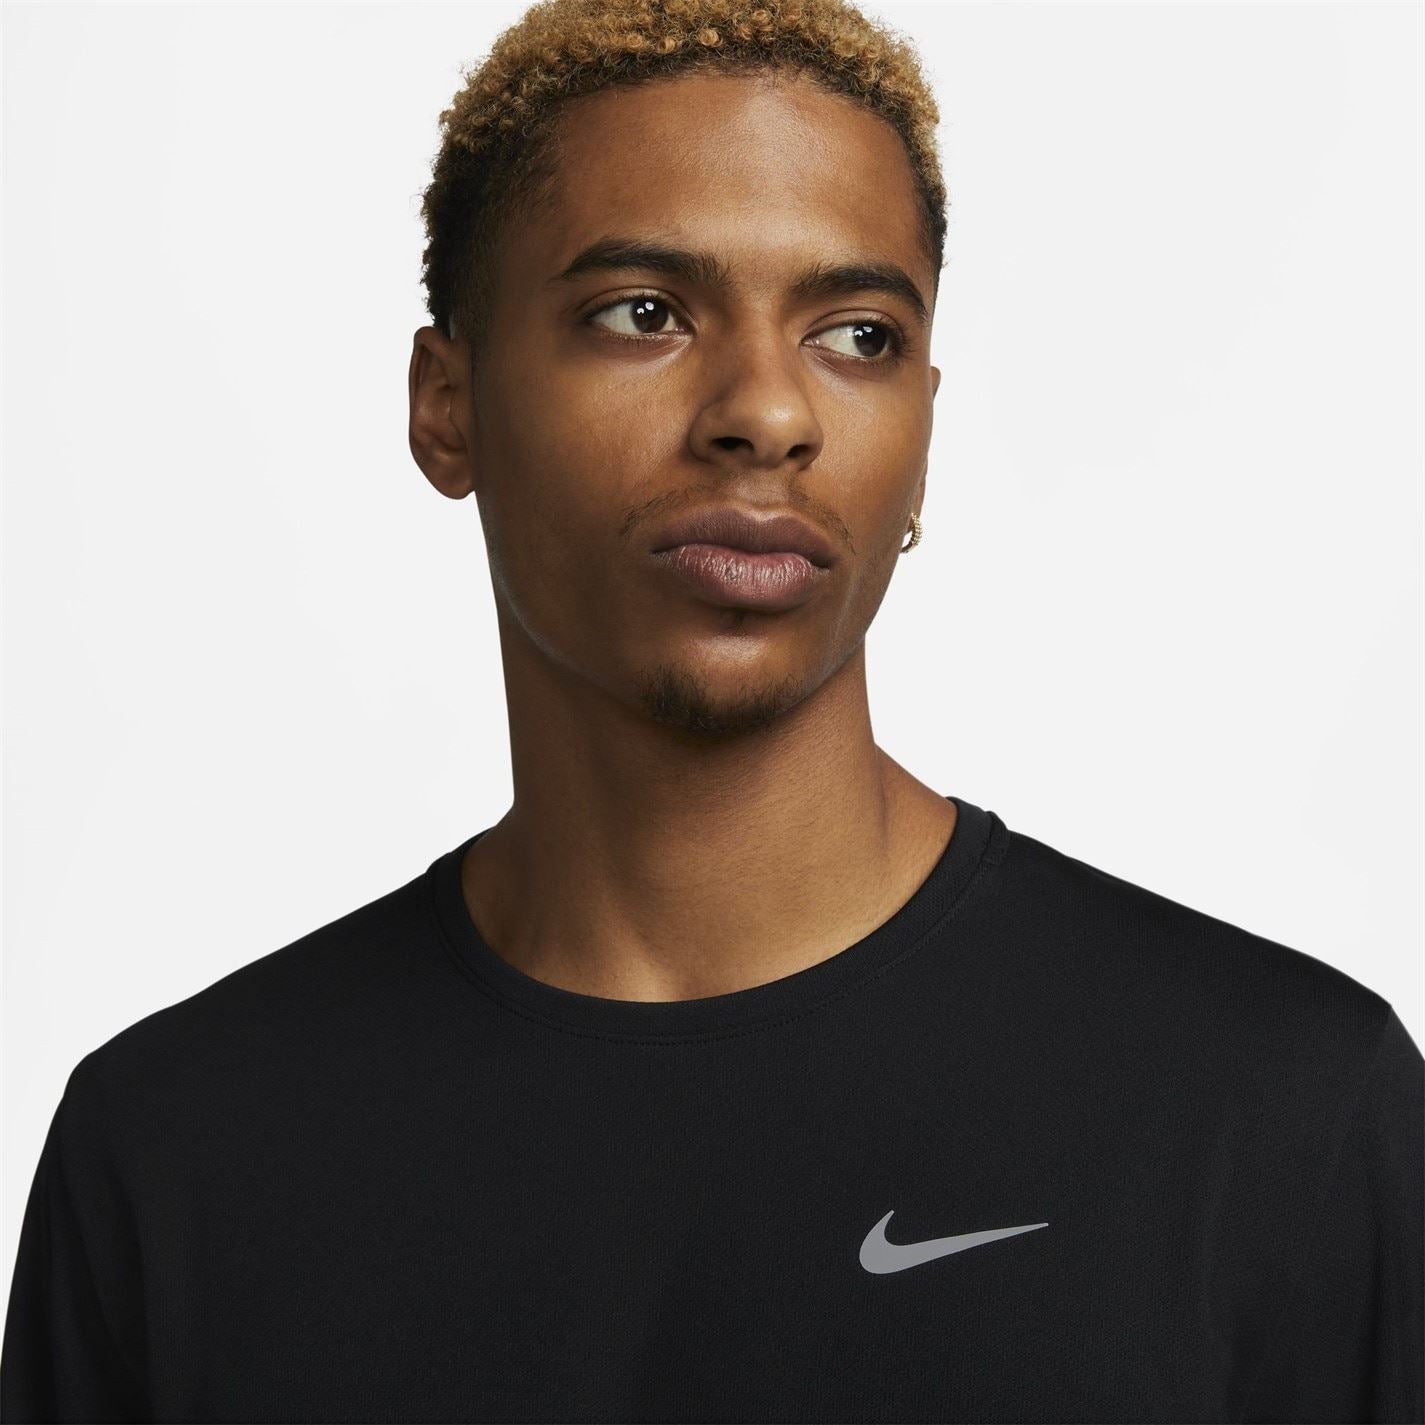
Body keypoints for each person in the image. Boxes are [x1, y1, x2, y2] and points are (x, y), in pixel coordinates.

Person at [3, 0, 1421, 1419]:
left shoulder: (1280, 1118)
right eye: (645, 312)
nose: (767, 412)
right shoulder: (175, 1159)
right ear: (448, 404)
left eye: (855, 334)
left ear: (923, 431)